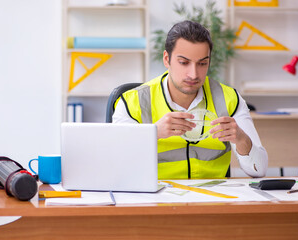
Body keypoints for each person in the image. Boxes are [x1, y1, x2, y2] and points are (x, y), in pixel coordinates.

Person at [113, 20, 268, 179]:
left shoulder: (230, 99)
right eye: (184, 62)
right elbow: (115, 164)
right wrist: (154, 133)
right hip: (155, 198)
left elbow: (259, 170)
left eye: (202, 63)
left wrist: (241, 139)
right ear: (167, 59)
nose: (193, 74)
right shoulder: (132, 102)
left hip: (213, 199)